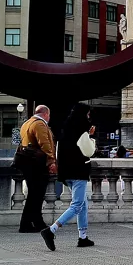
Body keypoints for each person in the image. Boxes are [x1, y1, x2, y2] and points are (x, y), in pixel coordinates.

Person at [40, 104, 96, 251]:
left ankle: (83, 237)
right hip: (79, 171)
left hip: (67, 172)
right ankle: (51, 230)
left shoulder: (66, 128)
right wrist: (91, 138)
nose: (89, 117)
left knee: (83, 204)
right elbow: (89, 151)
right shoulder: (81, 130)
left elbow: (60, 151)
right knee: (77, 205)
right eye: (88, 114)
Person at [17, 105, 56, 235]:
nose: (49, 118)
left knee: (33, 195)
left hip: (27, 163)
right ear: (45, 114)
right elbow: (45, 144)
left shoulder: (27, 123)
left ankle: (27, 223)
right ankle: (36, 223)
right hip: (37, 164)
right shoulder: (39, 124)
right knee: (37, 195)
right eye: (49, 116)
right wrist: (51, 161)